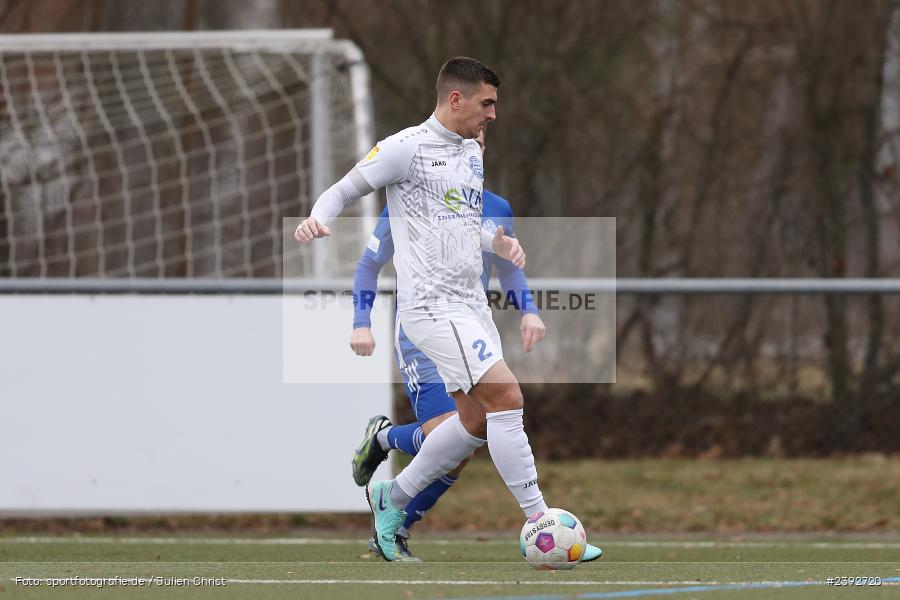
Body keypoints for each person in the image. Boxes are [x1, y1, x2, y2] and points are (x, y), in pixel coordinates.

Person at [295, 56, 599, 563]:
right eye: (487, 103)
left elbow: (456, 221)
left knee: (474, 422)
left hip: (471, 307)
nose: (493, 115)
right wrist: (317, 218)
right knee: (507, 397)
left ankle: (391, 497)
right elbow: (345, 188)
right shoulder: (405, 147)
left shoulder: (471, 153)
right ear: (456, 99)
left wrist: (495, 243)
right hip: (433, 308)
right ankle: (540, 519)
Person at [349, 130, 595, 562]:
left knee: (473, 428)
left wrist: (529, 310)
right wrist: (361, 322)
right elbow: (370, 263)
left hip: (469, 325)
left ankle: (393, 497)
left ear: (483, 148)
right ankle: (391, 462)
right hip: (422, 330)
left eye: (478, 139)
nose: (469, 146)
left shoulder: (497, 208)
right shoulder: (411, 200)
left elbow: (508, 266)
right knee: (460, 421)